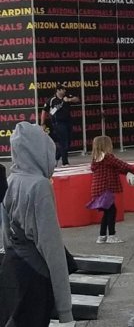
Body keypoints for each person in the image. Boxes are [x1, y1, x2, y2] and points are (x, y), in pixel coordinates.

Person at [0, 121, 75, 327]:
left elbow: (6, 236)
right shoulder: (39, 185)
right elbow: (52, 249)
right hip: (36, 278)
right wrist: (65, 311)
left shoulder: (13, 178)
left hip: (14, 271)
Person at [86, 135, 134, 244]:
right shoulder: (108, 157)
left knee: (107, 212)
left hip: (98, 190)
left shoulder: (96, 159)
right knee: (112, 211)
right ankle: (111, 235)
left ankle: (102, 236)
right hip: (105, 189)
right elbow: (121, 164)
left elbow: (115, 169)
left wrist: (128, 172)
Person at [40, 82, 79, 166]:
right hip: (58, 123)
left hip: (68, 121)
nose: (65, 91)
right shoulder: (52, 100)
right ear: (58, 90)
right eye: (63, 89)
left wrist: (69, 100)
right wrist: (42, 123)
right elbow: (44, 111)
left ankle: (56, 157)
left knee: (68, 142)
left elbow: (77, 99)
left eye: (65, 89)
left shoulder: (67, 96)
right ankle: (65, 162)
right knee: (63, 141)